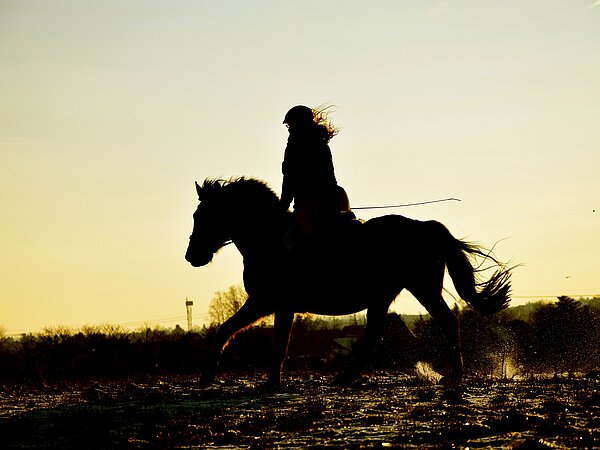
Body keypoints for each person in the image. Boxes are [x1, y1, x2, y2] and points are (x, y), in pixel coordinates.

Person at [280, 105, 354, 251]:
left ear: (299, 123)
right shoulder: (320, 140)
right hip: (333, 199)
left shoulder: (296, 144)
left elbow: (290, 178)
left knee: (290, 239)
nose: (289, 129)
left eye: (290, 125)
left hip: (310, 204)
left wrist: (283, 205)